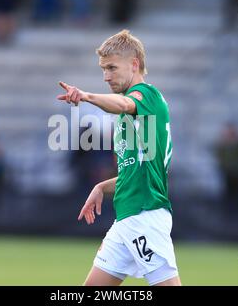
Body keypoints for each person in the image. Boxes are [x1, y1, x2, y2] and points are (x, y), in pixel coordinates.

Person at [57, 30, 181, 286]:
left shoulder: (146, 95)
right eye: (103, 69)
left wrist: (86, 96)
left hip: (144, 216)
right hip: (126, 217)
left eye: (112, 68)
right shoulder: (130, 116)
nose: (106, 76)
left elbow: (125, 104)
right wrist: (102, 186)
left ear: (134, 64)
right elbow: (135, 171)